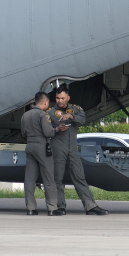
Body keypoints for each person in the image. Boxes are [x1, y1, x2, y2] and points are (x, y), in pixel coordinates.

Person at [47, 84, 109, 216]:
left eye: (63, 98)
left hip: (73, 149)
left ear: (68, 97)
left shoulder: (76, 109)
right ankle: (60, 207)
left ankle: (90, 206)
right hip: (58, 148)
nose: (60, 101)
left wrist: (72, 117)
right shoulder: (50, 113)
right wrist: (57, 129)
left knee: (79, 177)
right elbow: (45, 131)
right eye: (58, 98)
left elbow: (83, 120)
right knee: (57, 178)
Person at [20, 92, 62, 216]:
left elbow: (23, 134)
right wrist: (57, 129)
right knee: (49, 177)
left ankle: (31, 208)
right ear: (45, 102)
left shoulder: (25, 115)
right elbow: (48, 133)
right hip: (42, 147)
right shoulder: (43, 115)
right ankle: (52, 208)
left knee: (29, 179)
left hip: (30, 146)